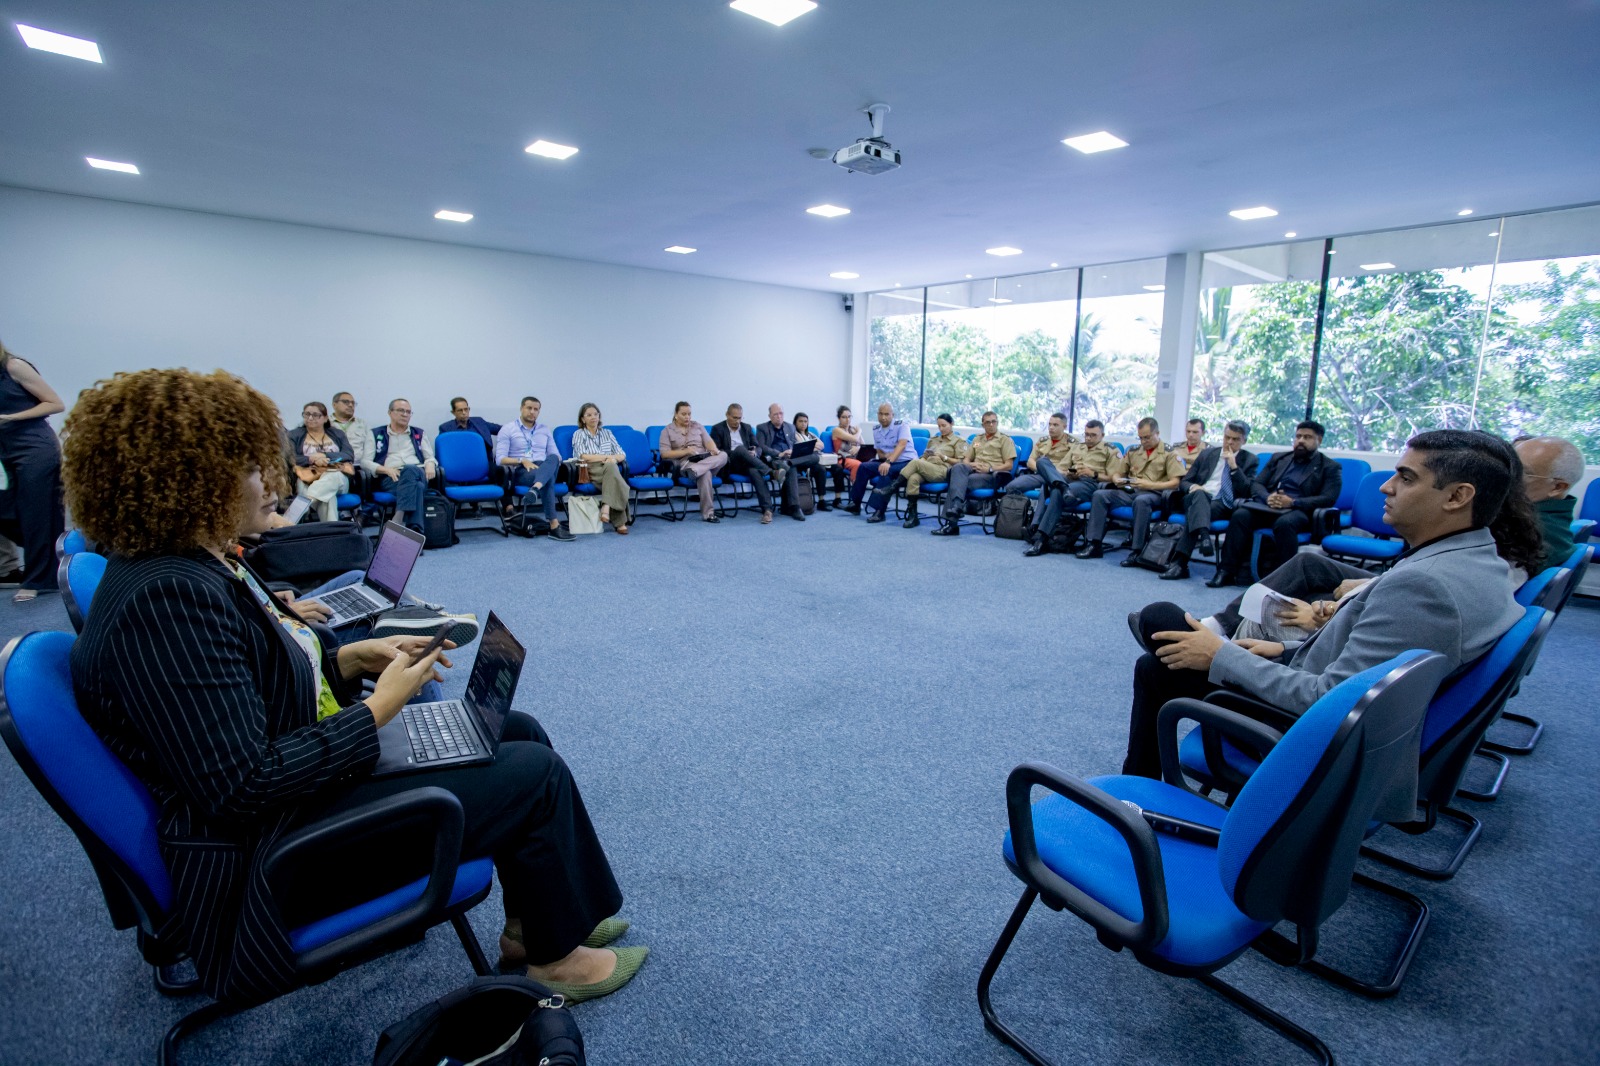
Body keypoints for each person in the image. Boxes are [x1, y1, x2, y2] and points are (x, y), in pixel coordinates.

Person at [64, 368, 645, 1008]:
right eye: (256, 467)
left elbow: (244, 688)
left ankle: (537, 926)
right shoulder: (166, 599)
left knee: (517, 730)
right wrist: (376, 711)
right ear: (191, 481)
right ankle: (553, 959)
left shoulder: (187, 565)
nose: (277, 482)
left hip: (294, 799)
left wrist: (347, 661)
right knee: (533, 772)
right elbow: (241, 785)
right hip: (275, 856)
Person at [1121, 430, 1528, 822]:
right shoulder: (1479, 561)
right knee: (1167, 651)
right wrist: (1284, 651)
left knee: (1159, 646)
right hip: (1338, 702)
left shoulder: (1424, 586)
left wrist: (1220, 654)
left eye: (1405, 477)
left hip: (1316, 740)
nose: (1386, 487)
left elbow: (1332, 700)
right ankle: (1134, 794)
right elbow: (1369, 666)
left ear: (1458, 497)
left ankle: (1132, 802)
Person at [1209, 420, 1342, 587]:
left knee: (1284, 523)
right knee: (1241, 515)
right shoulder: (1279, 458)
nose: (1301, 440)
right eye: (1298, 436)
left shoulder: (1330, 466)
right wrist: (1267, 498)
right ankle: (1226, 571)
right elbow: (1257, 484)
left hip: (1299, 511)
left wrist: (1293, 502)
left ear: (1319, 440)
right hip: (1269, 507)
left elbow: (1329, 498)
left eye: (1307, 437)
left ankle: (1283, 580)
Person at [0, 339, 66, 602]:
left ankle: (39, 580)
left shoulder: (14, 367)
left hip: (34, 447)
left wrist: (11, 418)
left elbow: (54, 403)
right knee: (14, 510)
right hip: (5, 451)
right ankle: (54, 553)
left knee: (36, 514)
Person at [1159, 419, 1257, 581]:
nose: (1230, 442)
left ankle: (1180, 564)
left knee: (1197, 512)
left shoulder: (1250, 460)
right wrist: (1193, 487)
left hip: (1222, 504)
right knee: (1199, 495)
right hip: (1194, 498)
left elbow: (1247, 490)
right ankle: (1204, 537)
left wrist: (1234, 467)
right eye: (1227, 437)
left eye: (1235, 439)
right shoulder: (1207, 454)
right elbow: (1185, 481)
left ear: (1244, 441)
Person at [1076, 417, 1184, 560]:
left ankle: (1137, 550)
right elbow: (1118, 472)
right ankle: (1094, 544)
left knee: (1141, 501)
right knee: (1100, 494)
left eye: (1147, 437)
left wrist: (1149, 485)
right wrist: (1117, 479)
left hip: (1155, 493)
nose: (1143, 442)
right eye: (1141, 438)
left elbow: (1175, 483)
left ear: (1157, 433)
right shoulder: (1134, 451)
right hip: (1131, 490)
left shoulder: (1169, 453)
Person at [1022, 418, 1119, 557]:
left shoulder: (1110, 450)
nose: (1089, 438)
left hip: (1089, 484)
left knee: (1056, 491)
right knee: (1043, 461)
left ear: (1102, 436)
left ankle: (1041, 540)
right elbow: (1060, 468)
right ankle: (1062, 486)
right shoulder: (1078, 447)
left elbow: (1114, 478)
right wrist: (1068, 473)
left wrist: (1093, 473)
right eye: (1086, 434)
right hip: (1070, 480)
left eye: (1093, 435)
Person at [494, 397, 574, 542]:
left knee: (554, 459)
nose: (532, 412)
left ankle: (536, 488)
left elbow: (556, 456)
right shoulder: (508, 429)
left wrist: (545, 466)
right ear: (521, 408)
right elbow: (500, 459)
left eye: (536, 409)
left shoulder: (544, 429)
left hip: (544, 467)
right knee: (548, 480)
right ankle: (554, 526)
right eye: (529, 408)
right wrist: (522, 460)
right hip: (522, 470)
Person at [870, 414, 966, 527]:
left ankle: (892, 488)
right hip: (927, 467)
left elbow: (961, 463)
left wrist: (944, 457)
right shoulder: (934, 440)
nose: (941, 429)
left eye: (944, 425)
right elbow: (923, 458)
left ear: (952, 424)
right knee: (913, 478)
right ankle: (913, 515)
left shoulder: (958, 441)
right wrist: (925, 456)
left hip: (943, 470)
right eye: (939, 426)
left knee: (915, 462)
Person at [931, 411, 1017, 536]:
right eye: (988, 422)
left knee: (958, 482)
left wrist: (990, 469)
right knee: (958, 468)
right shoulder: (977, 439)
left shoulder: (1004, 440)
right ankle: (955, 509)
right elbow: (966, 458)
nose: (991, 424)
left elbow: (1009, 465)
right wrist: (970, 464)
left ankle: (951, 523)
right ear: (983, 424)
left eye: (994, 421)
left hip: (992, 475)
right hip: (974, 470)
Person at [360, 398, 438, 534]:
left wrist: (430, 465)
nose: (405, 414)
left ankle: (398, 517)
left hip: (418, 473)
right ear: (390, 412)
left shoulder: (419, 433)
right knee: (417, 488)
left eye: (408, 412)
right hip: (391, 477)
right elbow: (365, 462)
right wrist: (386, 469)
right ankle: (415, 531)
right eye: (401, 411)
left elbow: (429, 457)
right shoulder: (375, 434)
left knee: (410, 468)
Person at [1515, 435, 1583, 572]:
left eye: (1521, 472)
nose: (1508, 475)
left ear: (1557, 487)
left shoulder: (1533, 532)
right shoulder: (1553, 521)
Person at [710, 403, 782, 524]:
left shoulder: (746, 428)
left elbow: (758, 447)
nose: (737, 421)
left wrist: (754, 453)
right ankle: (770, 472)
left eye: (740, 418)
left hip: (747, 463)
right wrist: (740, 452)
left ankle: (767, 510)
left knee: (754, 471)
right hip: (729, 464)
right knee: (740, 449)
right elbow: (716, 450)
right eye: (734, 418)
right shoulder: (718, 429)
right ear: (727, 415)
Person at [844, 403, 918, 515]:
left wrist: (888, 461)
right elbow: (880, 452)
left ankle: (879, 511)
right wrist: (885, 458)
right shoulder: (876, 429)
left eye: (887, 414)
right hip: (888, 461)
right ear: (877, 414)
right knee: (863, 467)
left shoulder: (902, 425)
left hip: (906, 461)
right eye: (881, 414)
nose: (883, 417)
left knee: (885, 471)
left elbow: (901, 445)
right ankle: (856, 503)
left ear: (893, 415)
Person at [287, 401, 355, 522]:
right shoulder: (294, 435)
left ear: (325, 418)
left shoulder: (337, 434)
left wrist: (324, 455)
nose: (310, 418)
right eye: (307, 414)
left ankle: (302, 506)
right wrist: (311, 458)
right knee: (328, 499)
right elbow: (288, 457)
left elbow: (348, 454)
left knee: (333, 476)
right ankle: (332, 536)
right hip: (307, 478)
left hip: (337, 478)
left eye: (315, 415)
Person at [660, 401, 727, 522]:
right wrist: (686, 451)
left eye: (689, 414)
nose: (687, 417)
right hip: (686, 463)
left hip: (704, 459)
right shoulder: (667, 431)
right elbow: (665, 454)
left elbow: (708, 442)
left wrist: (714, 450)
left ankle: (697, 470)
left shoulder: (697, 426)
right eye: (684, 414)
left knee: (723, 455)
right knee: (705, 473)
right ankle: (709, 514)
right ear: (676, 414)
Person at [571, 403, 631, 534]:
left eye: (595, 414)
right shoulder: (579, 434)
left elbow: (622, 453)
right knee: (617, 479)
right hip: (590, 468)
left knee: (611, 468)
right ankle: (620, 521)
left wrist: (614, 459)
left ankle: (606, 507)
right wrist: (606, 457)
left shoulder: (607, 433)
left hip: (609, 466)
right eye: (589, 415)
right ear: (582, 419)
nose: (593, 417)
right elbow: (583, 455)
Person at [756, 403, 808, 521]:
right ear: (769, 416)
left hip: (790, 457)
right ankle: (795, 507)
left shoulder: (790, 427)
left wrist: (792, 451)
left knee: (814, 457)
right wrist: (779, 453)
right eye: (775, 414)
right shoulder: (762, 428)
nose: (779, 416)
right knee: (792, 468)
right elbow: (761, 446)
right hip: (774, 459)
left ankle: (790, 463)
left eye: (781, 413)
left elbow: (794, 443)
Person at [790, 412, 832, 511]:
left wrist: (810, 447)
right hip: (802, 463)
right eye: (800, 421)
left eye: (805, 421)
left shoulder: (810, 434)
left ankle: (821, 500)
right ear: (795, 423)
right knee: (820, 468)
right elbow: (802, 446)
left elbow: (822, 445)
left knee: (822, 469)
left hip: (813, 460)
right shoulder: (793, 434)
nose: (803, 424)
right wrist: (813, 446)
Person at [828, 406, 864, 508]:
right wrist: (860, 431)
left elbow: (863, 444)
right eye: (844, 417)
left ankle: (858, 496)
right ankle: (855, 499)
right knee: (858, 465)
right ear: (839, 418)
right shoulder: (837, 430)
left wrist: (858, 448)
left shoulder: (852, 429)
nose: (847, 419)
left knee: (867, 464)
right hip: (841, 459)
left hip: (854, 457)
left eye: (849, 416)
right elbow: (854, 438)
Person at [329, 391, 372, 473]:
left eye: (353, 403)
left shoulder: (363, 425)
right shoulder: (325, 423)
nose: (350, 405)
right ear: (334, 405)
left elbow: (369, 450)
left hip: (357, 467)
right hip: (333, 466)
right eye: (346, 402)